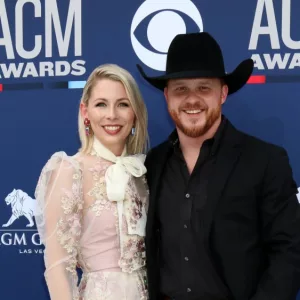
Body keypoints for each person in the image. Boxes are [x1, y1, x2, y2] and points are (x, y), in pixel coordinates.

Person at [137, 32, 300, 300]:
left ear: (222, 93)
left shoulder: (265, 161)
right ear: (167, 96)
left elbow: (290, 251)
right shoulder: (152, 164)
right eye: (181, 89)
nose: (192, 99)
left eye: (204, 88)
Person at [34, 64, 149, 299]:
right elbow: (58, 267)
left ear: (135, 113)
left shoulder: (143, 171)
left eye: (123, 104)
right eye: (101, 104)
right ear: (85, 112)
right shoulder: (69, 170)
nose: (112, 115)